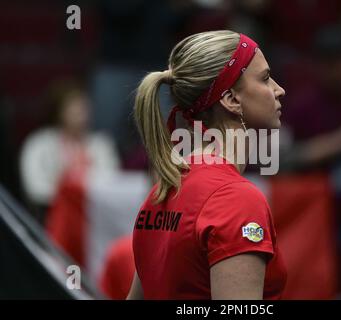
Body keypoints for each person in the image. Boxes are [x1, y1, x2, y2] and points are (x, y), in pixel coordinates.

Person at [127, 30, 286, 299]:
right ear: (231, 99)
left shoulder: (163, 190)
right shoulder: (236, 199)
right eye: (265, 78)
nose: (278, 90)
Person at [20, 82, 120, 220]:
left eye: (84, 107)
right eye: (74, 107)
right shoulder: (39, 144)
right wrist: (68, 198)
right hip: (51, 217)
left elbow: (111, 182)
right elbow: (35, 188)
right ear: (59, 111)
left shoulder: (101, 144)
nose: (81, 113)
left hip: (93, 217)